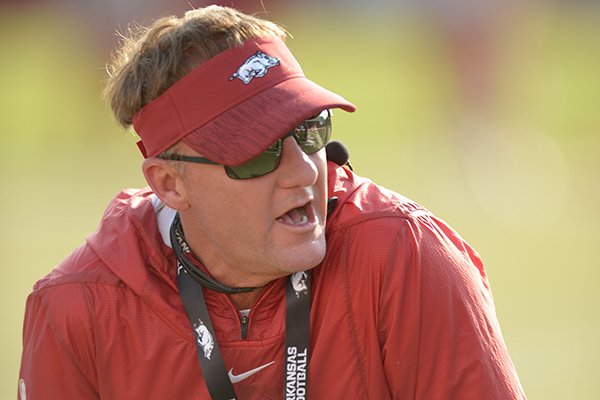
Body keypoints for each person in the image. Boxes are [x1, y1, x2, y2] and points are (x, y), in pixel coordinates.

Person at [18, 5, 526, 400]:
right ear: (169, 184)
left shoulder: (406, 259)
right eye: (256, 154)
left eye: (309, 131)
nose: (305, 170)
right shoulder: (78, 307)